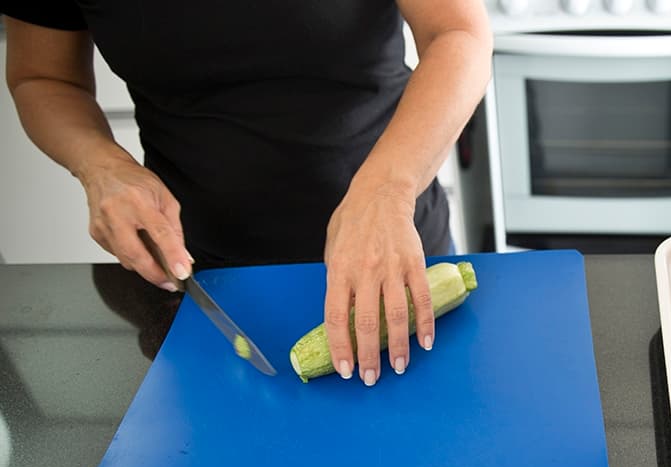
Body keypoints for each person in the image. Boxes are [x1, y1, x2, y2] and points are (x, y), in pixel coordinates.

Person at [1, 1, 492, 386]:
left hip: (389, 245)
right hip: (194, 272)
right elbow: (42, 77)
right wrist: (101, 166)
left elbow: (457, 32)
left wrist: (387, 191)